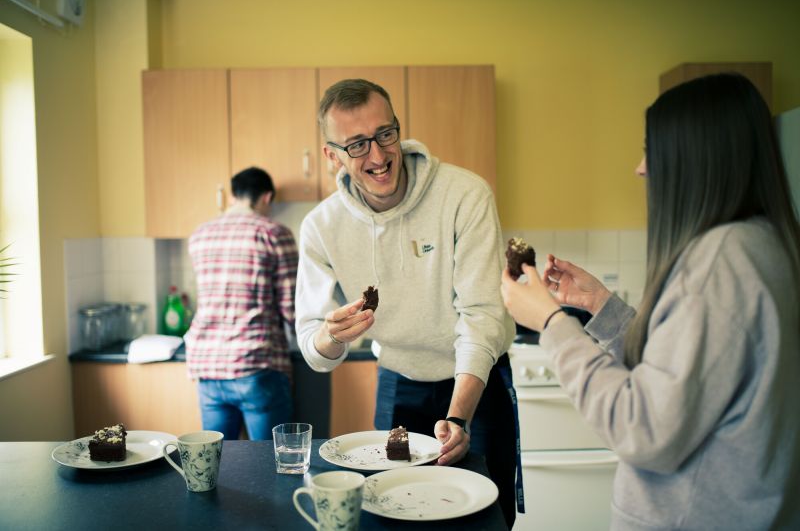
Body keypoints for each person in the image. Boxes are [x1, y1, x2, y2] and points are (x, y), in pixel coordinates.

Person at [501, 73, 800, 530]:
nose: (641, 168)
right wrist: (601, 305)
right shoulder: (762, 245)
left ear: (696, 157)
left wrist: (552, 321)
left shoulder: (719, 263)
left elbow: (643, 428)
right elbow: (687, 375)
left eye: (651, 150)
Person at [295, 79, 519, 528]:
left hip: (476, 379)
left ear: (398, 129)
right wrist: (330, 335)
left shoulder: (465, 194)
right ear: (331, 155)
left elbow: (483, 315)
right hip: (398, 381)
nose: (378, 157)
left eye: (385, 134)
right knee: (392, 510)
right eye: (357, 145)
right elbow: (313, 347)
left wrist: (458, 416)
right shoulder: (321, 226)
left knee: (486, 519)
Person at [185, 166, 299, 441]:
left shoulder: (200, 234)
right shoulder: (274, 233)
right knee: (271, 462)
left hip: (207, 365)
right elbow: (291, 305)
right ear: (267, 197)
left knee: (217, 462)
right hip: (256, 363)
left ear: (233, 195)